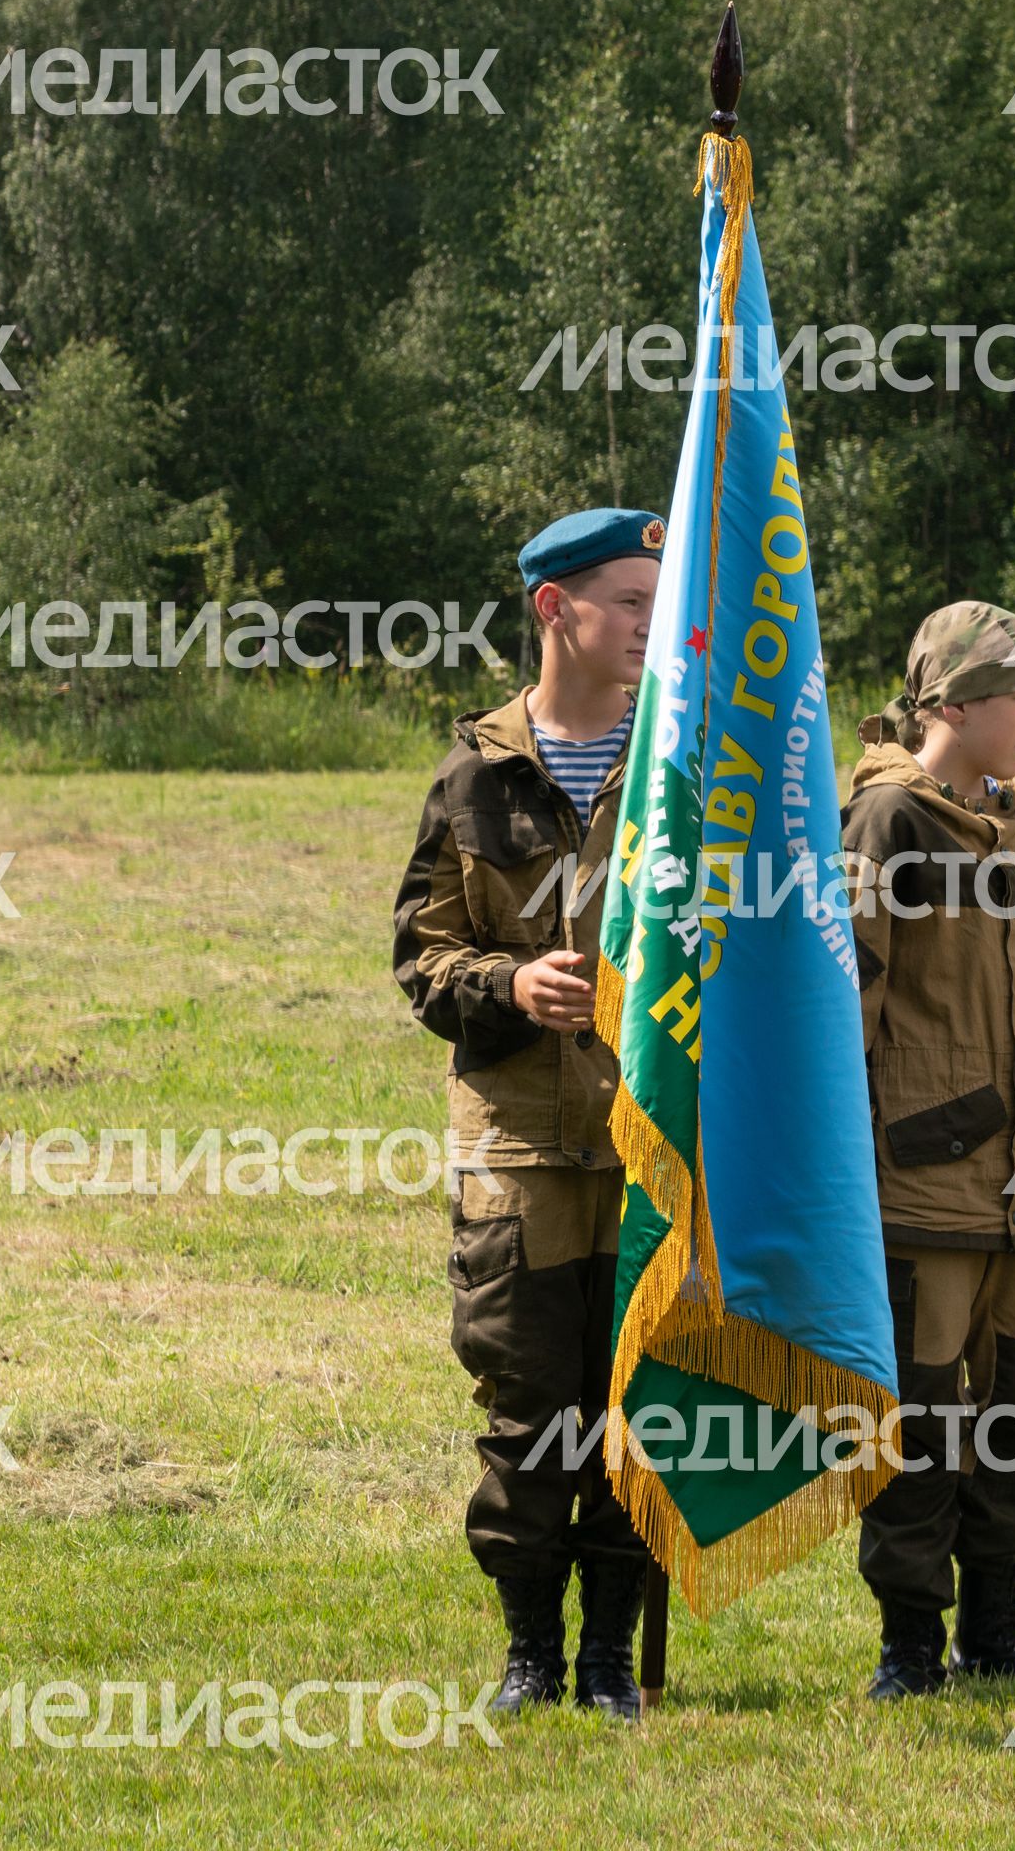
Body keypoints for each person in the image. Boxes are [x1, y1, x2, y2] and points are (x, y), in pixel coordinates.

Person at [390, 507, 663, 1718]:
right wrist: (510, 984)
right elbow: (421, 961)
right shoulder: (475, 771)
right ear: (557, 610)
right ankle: (529, 1656)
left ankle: (608, 1656)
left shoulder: (688, 766)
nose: (658, 625)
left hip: (657, 1145)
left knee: (639, 1405)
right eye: (634, 601)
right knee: (526, 1408)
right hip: (521, 1152)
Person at [839, 601, 1015, 1699]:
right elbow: (846, 1001)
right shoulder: (885, 822)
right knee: (918, 1420)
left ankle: (997, 1626)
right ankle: (909, 1644)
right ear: (949, 704)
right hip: (920, 1178)